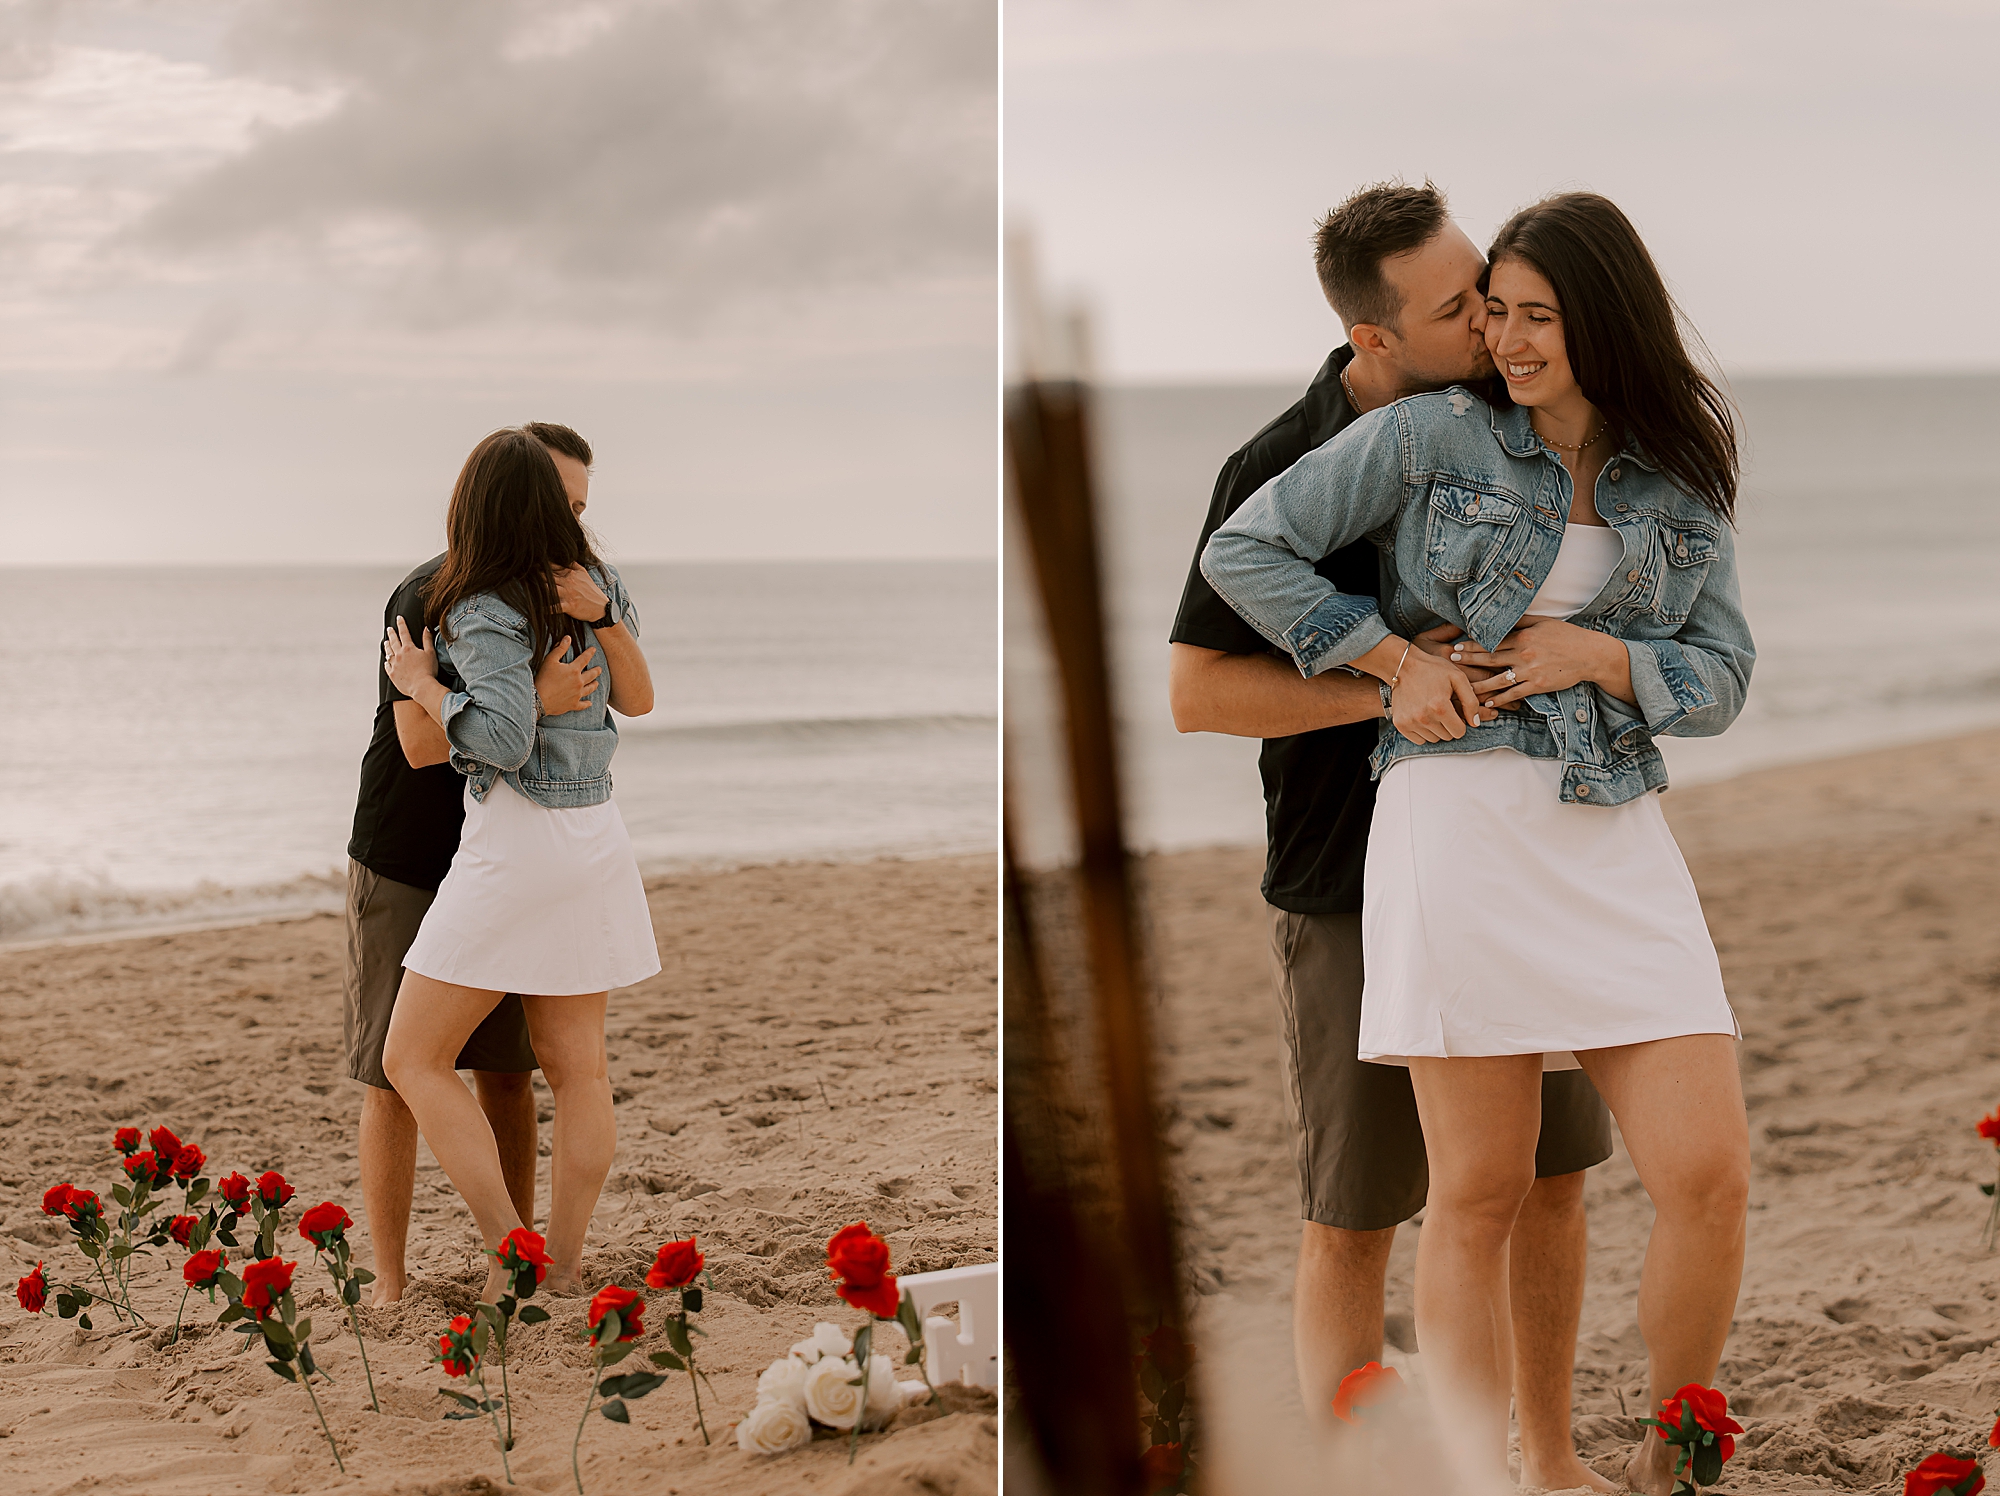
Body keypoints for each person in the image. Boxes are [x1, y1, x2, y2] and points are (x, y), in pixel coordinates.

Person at [1201, 190, 1753, 1494]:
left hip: (1611, 835)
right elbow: (1249, 549)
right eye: (1492, 311)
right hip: (1456, 831)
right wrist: (1391, 662)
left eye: (1535, 316)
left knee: (1708, 1174)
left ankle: (1677, 1463)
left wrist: (1607, 654)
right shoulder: (1432, 436)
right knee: (1483, 1195)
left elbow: (1724, 673)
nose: (1505, 339)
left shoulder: (1674, 470)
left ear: (1602, 320)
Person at [1168, 181, 1614, 1491]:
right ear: (1372, 340)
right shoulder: (1268, 467)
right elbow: (1197, 696)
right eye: (1453, 306)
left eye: (1485, 284)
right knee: (1359, 1207)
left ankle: (1553, 1462)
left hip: (1515, 852)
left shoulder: (1505, 415)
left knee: (1553, 1174)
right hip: (1346, 875)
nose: (1488, 320)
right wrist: (1386, 675)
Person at [381, 425, 659, 1299]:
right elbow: (640, 699)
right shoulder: (592, 585)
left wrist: (425, 684)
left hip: (519, 841)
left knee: (412, 1061)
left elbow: (499, 739)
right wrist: (601, 617)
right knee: (582, 1069)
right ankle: (566, 1264)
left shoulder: (483, 604)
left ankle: (514, 1251)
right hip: (596, 838)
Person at [342, 421, 603, 1305]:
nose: (568, 525)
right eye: (555, 503)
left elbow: (608, 713)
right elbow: (420, 745)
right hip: (413, 856)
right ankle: (388, 1280)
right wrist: (536, 697)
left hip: (507, 856)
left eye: (577, 508)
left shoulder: (557, 594)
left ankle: (514, 1257)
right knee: (396, 1071)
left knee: (507, 1072)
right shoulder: (429, 593)